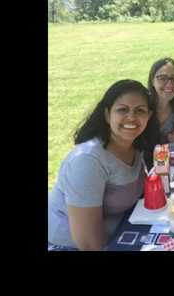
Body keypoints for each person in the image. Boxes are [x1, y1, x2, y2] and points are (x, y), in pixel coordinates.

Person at [48, 79, 155, 251]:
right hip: (68, 245)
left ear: (148, 116)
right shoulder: (87, 161)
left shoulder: (135, 145)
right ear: (107, 115)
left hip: (122, 231)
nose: (132, 117)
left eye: (140, 110)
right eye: (122, 109)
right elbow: (89, 244)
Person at [146, 57, 174, 145]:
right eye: (162, 78)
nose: (169, 84)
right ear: (152, 80)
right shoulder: (143, 107)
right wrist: (165, 139)